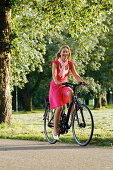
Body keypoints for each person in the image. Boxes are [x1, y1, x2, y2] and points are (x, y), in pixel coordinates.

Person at [49, 45, 88, 140]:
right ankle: (55, 130)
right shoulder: (55, 63)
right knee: (59, 107)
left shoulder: (70, 64)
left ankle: (72, 115)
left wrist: (82, 81)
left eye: (67, 51)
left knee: (71, 93)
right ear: (60, 53)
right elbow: (54, 74)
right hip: (56, 86)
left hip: (64, 85)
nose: (65, 53)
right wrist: (57, 81)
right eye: (63, 51)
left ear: (69, 53)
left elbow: (75, 74)